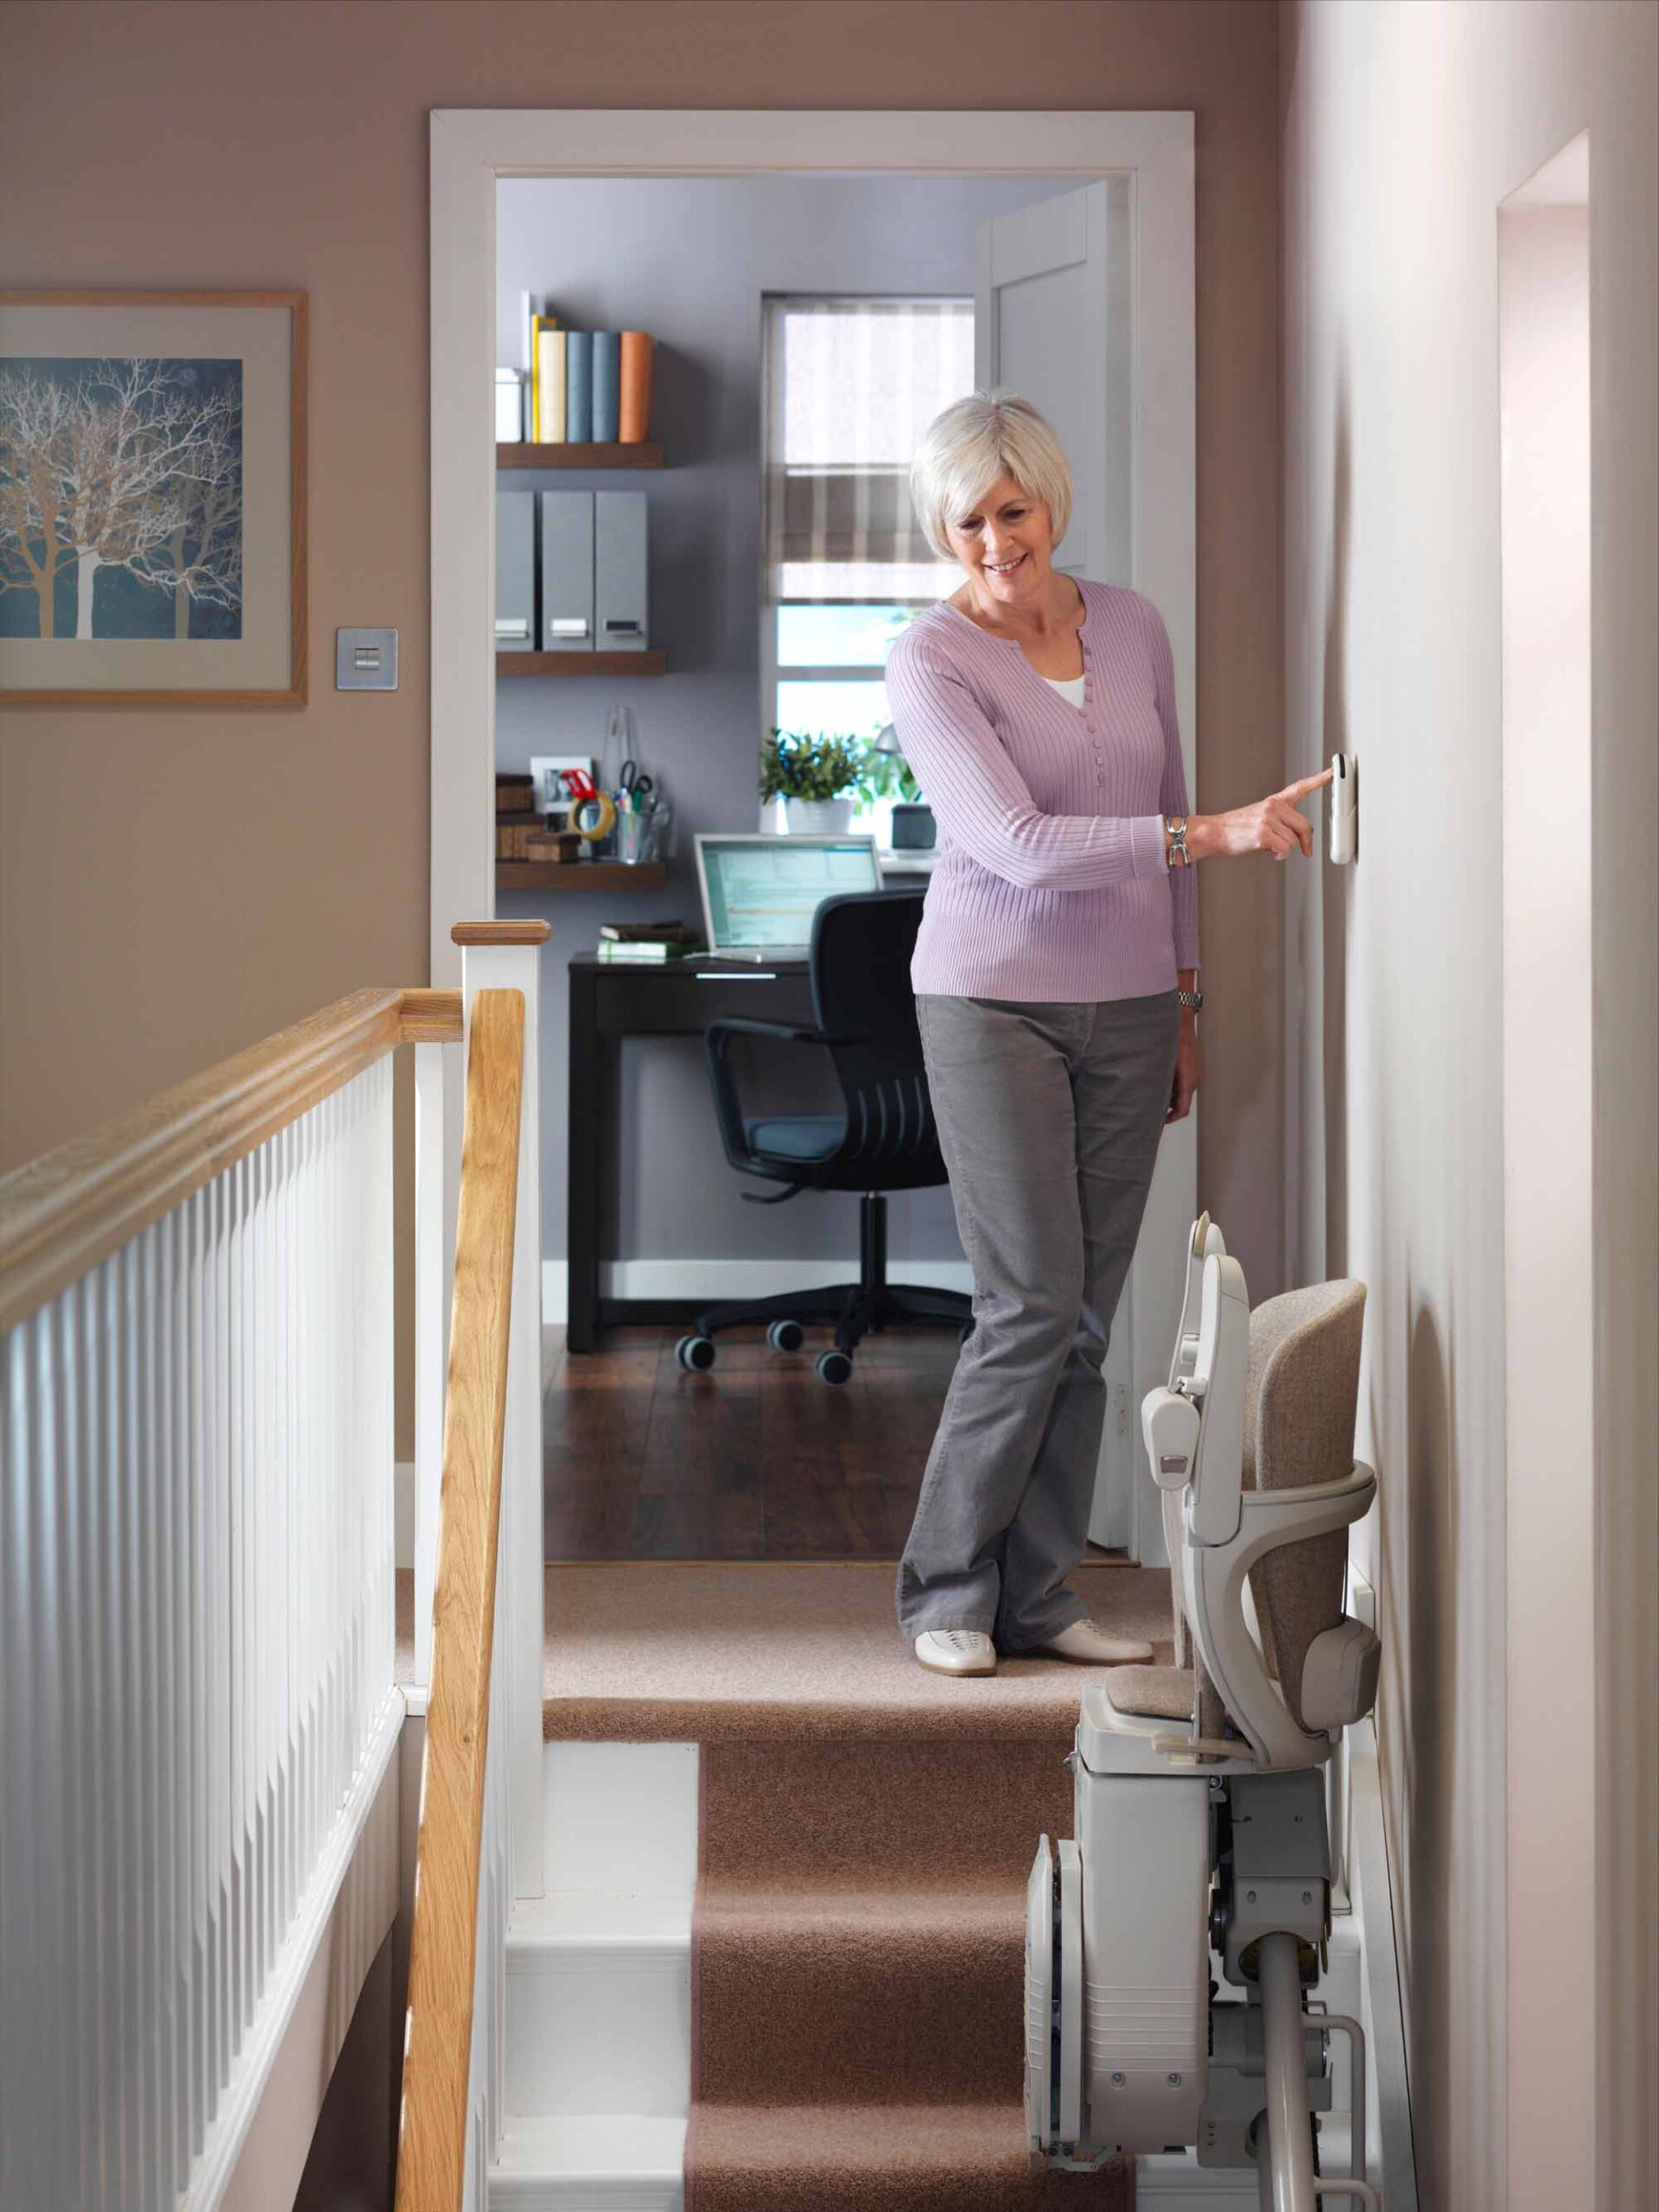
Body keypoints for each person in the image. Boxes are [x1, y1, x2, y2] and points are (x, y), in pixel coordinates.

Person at [886, 389, 1327, 1679]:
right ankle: (943, 1590)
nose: (991, 540)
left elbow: (1166, 805)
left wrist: (1186, 998)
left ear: (1049, 503)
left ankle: (1037, 1593)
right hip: (989, 1000)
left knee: (1084, 1317)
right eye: (964, 518)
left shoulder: (1130, 626)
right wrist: (1216, 835)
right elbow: (1017, 848)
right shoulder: (931, 659)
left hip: (1133, 1006)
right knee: (1026, 1303)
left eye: (1010, 510)